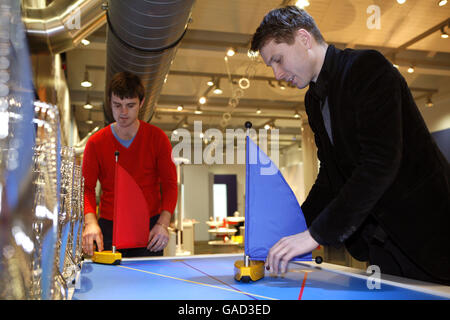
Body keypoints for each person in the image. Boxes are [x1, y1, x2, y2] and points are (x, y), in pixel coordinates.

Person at [251, 6, 450, 284]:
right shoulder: (314, 100)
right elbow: (331, 177)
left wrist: (314, 235)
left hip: (427, 233)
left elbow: (379, 164)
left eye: (278, 59)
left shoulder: (368, 68)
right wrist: (292, 229)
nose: (277, 74)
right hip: (381, 242)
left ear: (304, 39)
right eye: (271, 65)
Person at [82, 71, 178, 257]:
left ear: (141, 103)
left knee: (150, 285)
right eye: (117, 105)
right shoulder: (95, 143)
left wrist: (163, 224)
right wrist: (91, 222)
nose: (123, 112)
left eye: (130, 105)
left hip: (150, 229)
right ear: (109, 102)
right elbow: (86, 188)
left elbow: (169, 185)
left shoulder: (157, 139)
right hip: (109, 228)